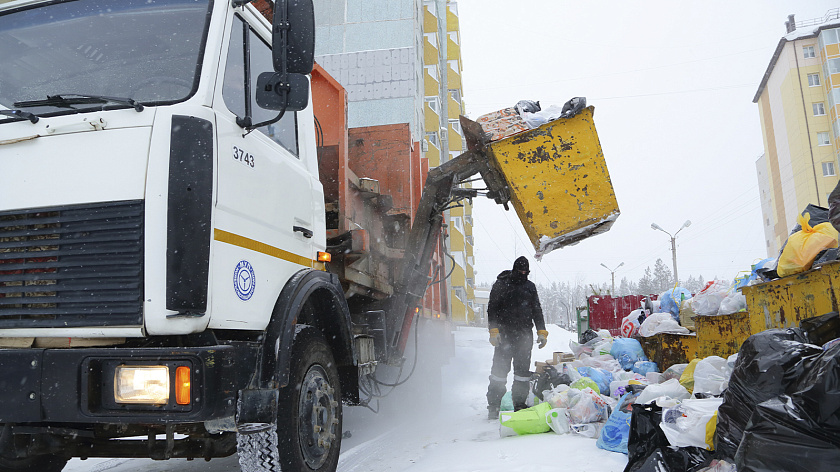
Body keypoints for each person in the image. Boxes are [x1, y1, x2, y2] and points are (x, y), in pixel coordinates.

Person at [486, 256, 548, 419]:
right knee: (499, 373)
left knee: (522, 374)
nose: (522, 274)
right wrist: (493, 330)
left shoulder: (530, 287)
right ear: (514, 269)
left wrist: (542, 331)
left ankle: (519, 405)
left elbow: (537, 310)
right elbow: (492, 309)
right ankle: (494, 405)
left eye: (525, 272)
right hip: (504, 337)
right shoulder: (501, 285)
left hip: (524, 337)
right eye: (520, 271)